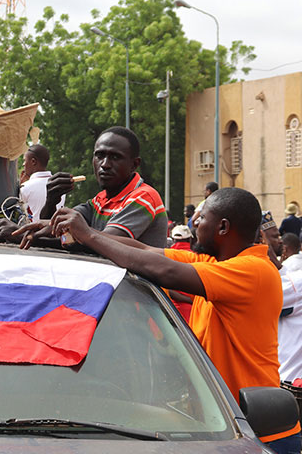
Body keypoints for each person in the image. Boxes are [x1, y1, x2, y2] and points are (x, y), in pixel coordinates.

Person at [20, 187, 300, 451]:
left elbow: (164, 271)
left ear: (223, 228)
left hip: (259, 431)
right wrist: (78, 232)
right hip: (222, 425)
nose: (194, 224)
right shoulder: (218, 264)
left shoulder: (253, 271)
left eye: (201, 219)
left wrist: (90, 236)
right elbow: (143, 251)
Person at [4, 126, 168, 247]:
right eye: (100, 155)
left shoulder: (144, 198)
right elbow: (57, 230)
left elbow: (100, 244)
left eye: (115, 157)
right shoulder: (99, 201)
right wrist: (51, 200)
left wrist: (18, 235)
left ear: (134, 164)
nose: (105, 165)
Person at [18, 144, 64, 222]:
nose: (23, 164)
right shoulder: (60, 185)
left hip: (33, 233)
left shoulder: (25, 188)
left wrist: (19, 187)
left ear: (33, 161)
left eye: (24, 160)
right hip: (54, 232)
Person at [167, 225, 194, 322]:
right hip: (193, 310)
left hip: (172, 310)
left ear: (173, 239)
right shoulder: (198, 258)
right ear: (190, 240)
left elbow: (171, 292)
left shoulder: (165, 257)